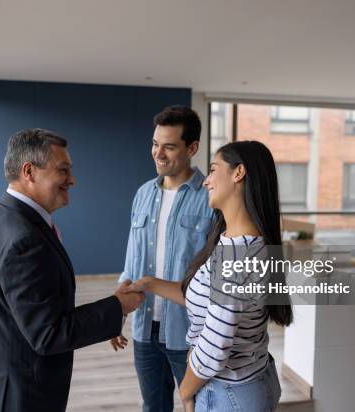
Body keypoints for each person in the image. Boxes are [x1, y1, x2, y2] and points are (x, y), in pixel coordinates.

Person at [0, 128, 144, 412]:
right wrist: (118, 306)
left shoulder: (2, 218)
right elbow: (48, 334)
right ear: (29, 172)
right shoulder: (24, 239)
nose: (71, 179)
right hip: (18, 398)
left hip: (1, 387)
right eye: (62, 170)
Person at [123, 141, 293, 412]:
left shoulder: (236, 255)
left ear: (238, 173)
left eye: (214, 170)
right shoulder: (240, 241)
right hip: (252, 378)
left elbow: (214, 348)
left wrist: (187, 391)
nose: (206, 181)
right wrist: (149, 283)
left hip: (229, 392)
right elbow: (208, 299)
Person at [111, 106, 213, 411]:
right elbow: (132, 260)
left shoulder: (210, 198)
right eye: (155, 144)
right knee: (152, 406)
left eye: (169, 146)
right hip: (144, 328)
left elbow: (213, 273)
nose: (159, 153)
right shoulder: (143, 194)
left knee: (198, 405)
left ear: (192, 147)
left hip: (189, 331)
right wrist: (118, 312)